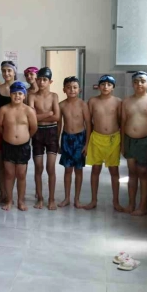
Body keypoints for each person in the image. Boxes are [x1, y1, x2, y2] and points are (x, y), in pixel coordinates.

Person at [121, 71, 147, 216]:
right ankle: (131, 204)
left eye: (142, 81)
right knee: (132, 172)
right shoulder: (126, 101)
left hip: (146, 140)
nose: (139, 84)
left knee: (143, 172)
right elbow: (123, 123)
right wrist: (122, 144)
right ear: (132, 84)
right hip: (129, 140)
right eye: (136, 81)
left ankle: (143, 206)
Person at [0, 81, 38, 211]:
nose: (17, 96)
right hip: (8, 145)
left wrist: (24, 137)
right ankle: (9, 200)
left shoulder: (29, 111)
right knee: (9, 174)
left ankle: (21, 201)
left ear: (24, 96)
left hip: (23, 146)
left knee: (21, 174)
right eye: (14, 93)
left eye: (20, 93)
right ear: (10, 95)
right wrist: (8, 136)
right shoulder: (4, 110)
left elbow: (33, 128)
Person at [86, 75, 124, 212]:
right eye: (103, 84)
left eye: (109, 84)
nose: (105, 87)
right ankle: (93, 200)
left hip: (113, 139)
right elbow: (88, 123)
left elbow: (122, 123)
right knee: (95, 170)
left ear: (113, 87)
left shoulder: (118, 102)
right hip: (96, 138)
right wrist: (87, 142)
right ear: (98, 86)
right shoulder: (92, 101)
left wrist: (122, 144)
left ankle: (116, 202)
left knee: (114, 171)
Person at [28, 67, 60, 210]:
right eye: (39, 79)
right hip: (38, 132)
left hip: (52, 132)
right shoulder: (32, 96)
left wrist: (39, 116)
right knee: (38, 167)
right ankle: (40, 198)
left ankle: (51, 199)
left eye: (45, 80)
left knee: (50, 167)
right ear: (36, 80)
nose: (41, 82)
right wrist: (48, 114)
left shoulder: (54, 96)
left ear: (50, 82)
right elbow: (31, 117)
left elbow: (57, 117)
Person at [58, 77, 91, 208]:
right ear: (64, 90)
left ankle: (77, 199)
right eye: (69, 87)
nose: (72, 90)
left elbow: (88, 124)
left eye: (75, 87)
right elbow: (59, 124)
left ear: (79, 89)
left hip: (80, 139)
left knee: (78, 170)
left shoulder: (83, 105)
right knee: (67, 170)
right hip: (66, 138)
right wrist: (58, 141)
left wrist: (87, 144)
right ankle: (66, 198)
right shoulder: (61, 105)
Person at [0, 61, 16, 206]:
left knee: (12, 166)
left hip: (14, 131)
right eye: (4, 71)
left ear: (14, 72)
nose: (6, 73)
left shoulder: (19, 89)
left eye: (9, 70)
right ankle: (2, 194)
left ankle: (10, 195)